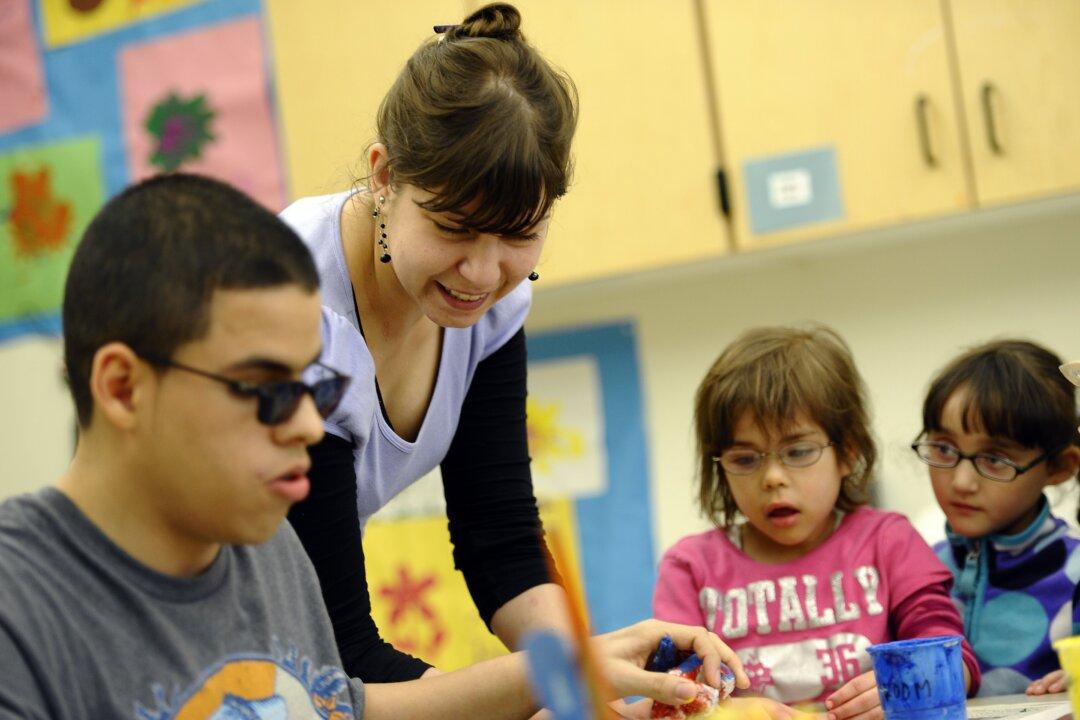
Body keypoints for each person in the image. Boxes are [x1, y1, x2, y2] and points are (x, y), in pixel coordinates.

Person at [0, 173, 750, 720]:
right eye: (268, 389)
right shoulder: (22, 607)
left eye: (317, 388)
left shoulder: (272, 559)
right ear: (123, 388)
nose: (307, 427)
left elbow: (349, 710)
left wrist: (575, 673)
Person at [279, 2, 580, 681]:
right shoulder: (292, 310)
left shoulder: (492, 313)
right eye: (454, 228)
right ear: (385, 177)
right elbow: (341, 654)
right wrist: (536, 699)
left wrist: (582, 683)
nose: (483, 273)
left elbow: (502, 541)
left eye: (520, 234)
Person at [653, 325, 981, 719]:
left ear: (848, 453)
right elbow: (672, 694)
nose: (773, 477)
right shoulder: (691, 567)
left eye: (798, 451)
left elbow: (952, 659)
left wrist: (913, 684)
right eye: (745, 459)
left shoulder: (888, 540)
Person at [914, 340, 1080, 697]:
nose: (961, 482)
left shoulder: (1076, 571)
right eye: (944, 449)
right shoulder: (916, 569)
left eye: (995, 459)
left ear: (1059, 467)